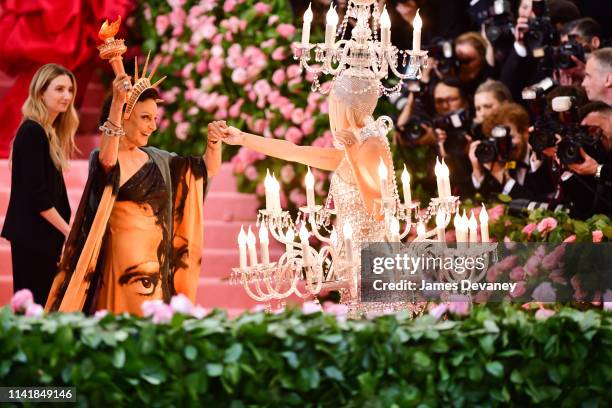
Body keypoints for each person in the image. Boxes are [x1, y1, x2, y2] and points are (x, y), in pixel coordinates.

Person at [210, 68, 404, 308]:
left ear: (346, 107)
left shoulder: (371, 145)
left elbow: (380, 210)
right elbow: (295, 152)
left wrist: (353, 157)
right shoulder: (357, 144)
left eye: (335, 103)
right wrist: (243, 138)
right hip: (350, 261)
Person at [45, 55, 222, 315]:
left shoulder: (161, 160)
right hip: (119, 270)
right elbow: (108, 159)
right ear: (126, 117)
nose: (153, 126)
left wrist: (214, 144)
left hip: (155, 271)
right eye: (145, 117)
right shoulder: (103, 157)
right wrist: (117, 103)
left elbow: (204, 171)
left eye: (155, 118)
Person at [1, 64, 78, 306]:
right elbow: (38, 196)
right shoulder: (32, 132)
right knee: (37, 310)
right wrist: (70, 232)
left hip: (42, 237)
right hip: (34, 238)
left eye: (69, 90)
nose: (66, 96)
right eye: (59, 89)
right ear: (41, 92)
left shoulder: (46, 132)